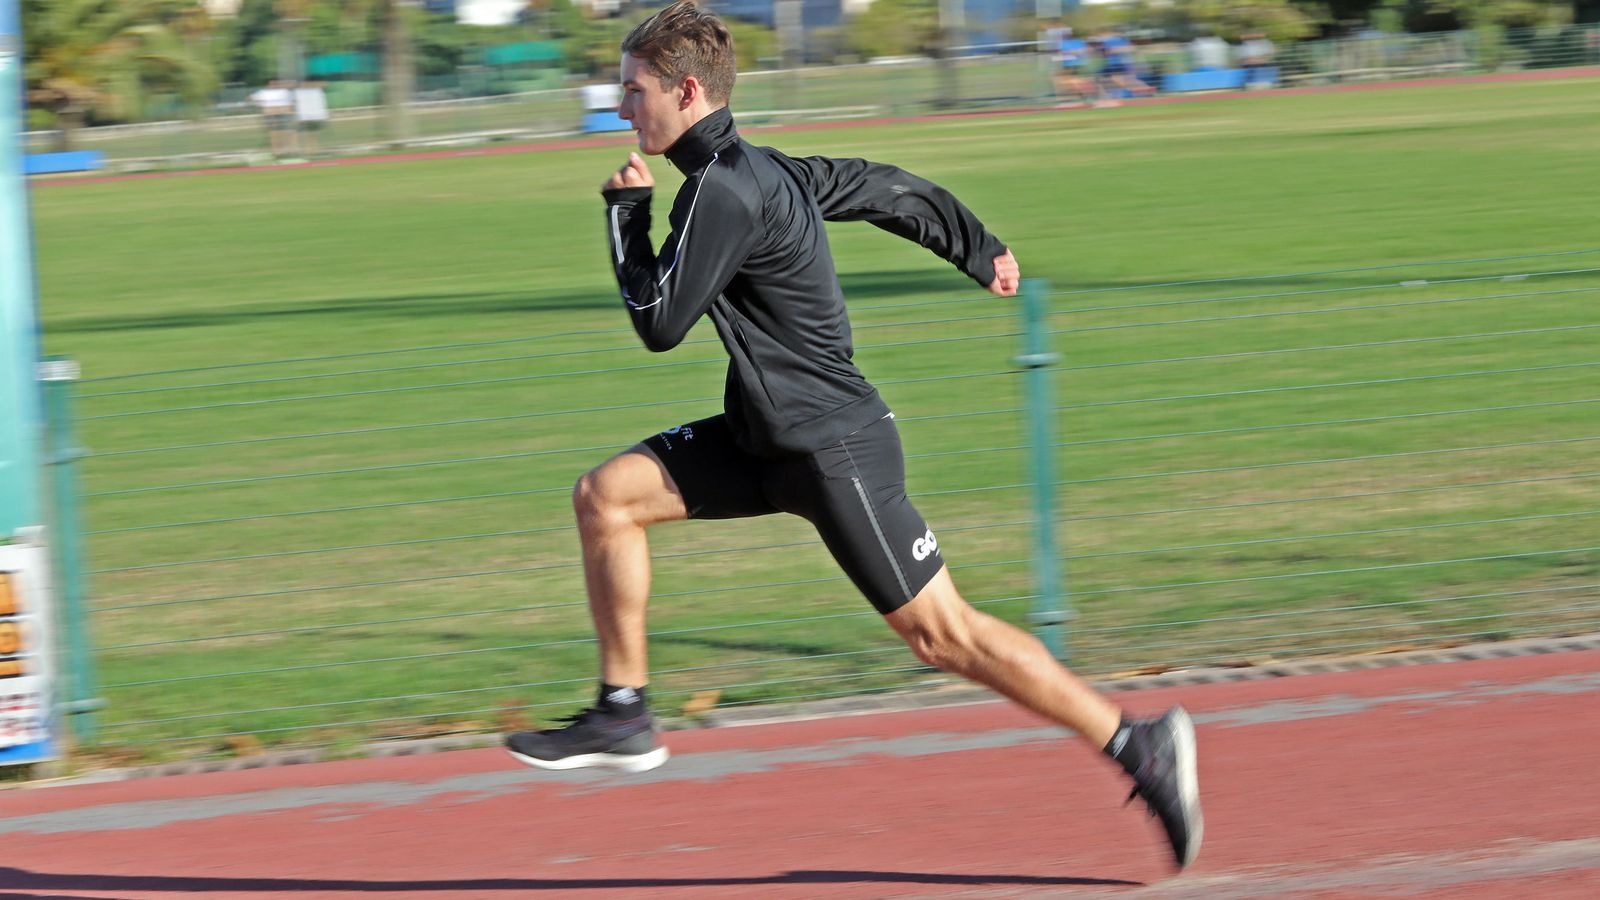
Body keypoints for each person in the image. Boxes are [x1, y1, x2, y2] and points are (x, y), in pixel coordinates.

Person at [502, 0, 1202, 870]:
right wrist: (975, 246)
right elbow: (883, 186)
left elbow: (659, 321)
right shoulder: (763, 172)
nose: (620, 108)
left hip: (833, 446)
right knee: (605, 498)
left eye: (632, 90)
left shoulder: (724, 188)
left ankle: (1138, 744)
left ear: (686, 92)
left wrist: (622, 218)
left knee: (943, 635)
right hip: (764, 442)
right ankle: (624, 709)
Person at [249, 80, 297, 159]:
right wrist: (260, 104)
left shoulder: (284, 91)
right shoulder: (263, 92)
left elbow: (293, 101)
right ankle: (277, 152)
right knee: (274, 134)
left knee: (289, 132)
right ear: (268, 85)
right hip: (271, 115)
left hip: (284, 114)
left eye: (276, 83)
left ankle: (291, 150)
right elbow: (250, 98)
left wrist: (292, 110)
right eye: (272, 84)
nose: (274, 85)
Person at [293, 80, 330, 158]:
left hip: (313, 116)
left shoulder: (317, 91)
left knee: (313, 134)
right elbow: (295, 104)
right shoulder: (298, 92)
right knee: (300, 134)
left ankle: (313, 151)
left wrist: (323, 115)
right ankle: (301, 151)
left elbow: (321, 102)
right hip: (303, 116)